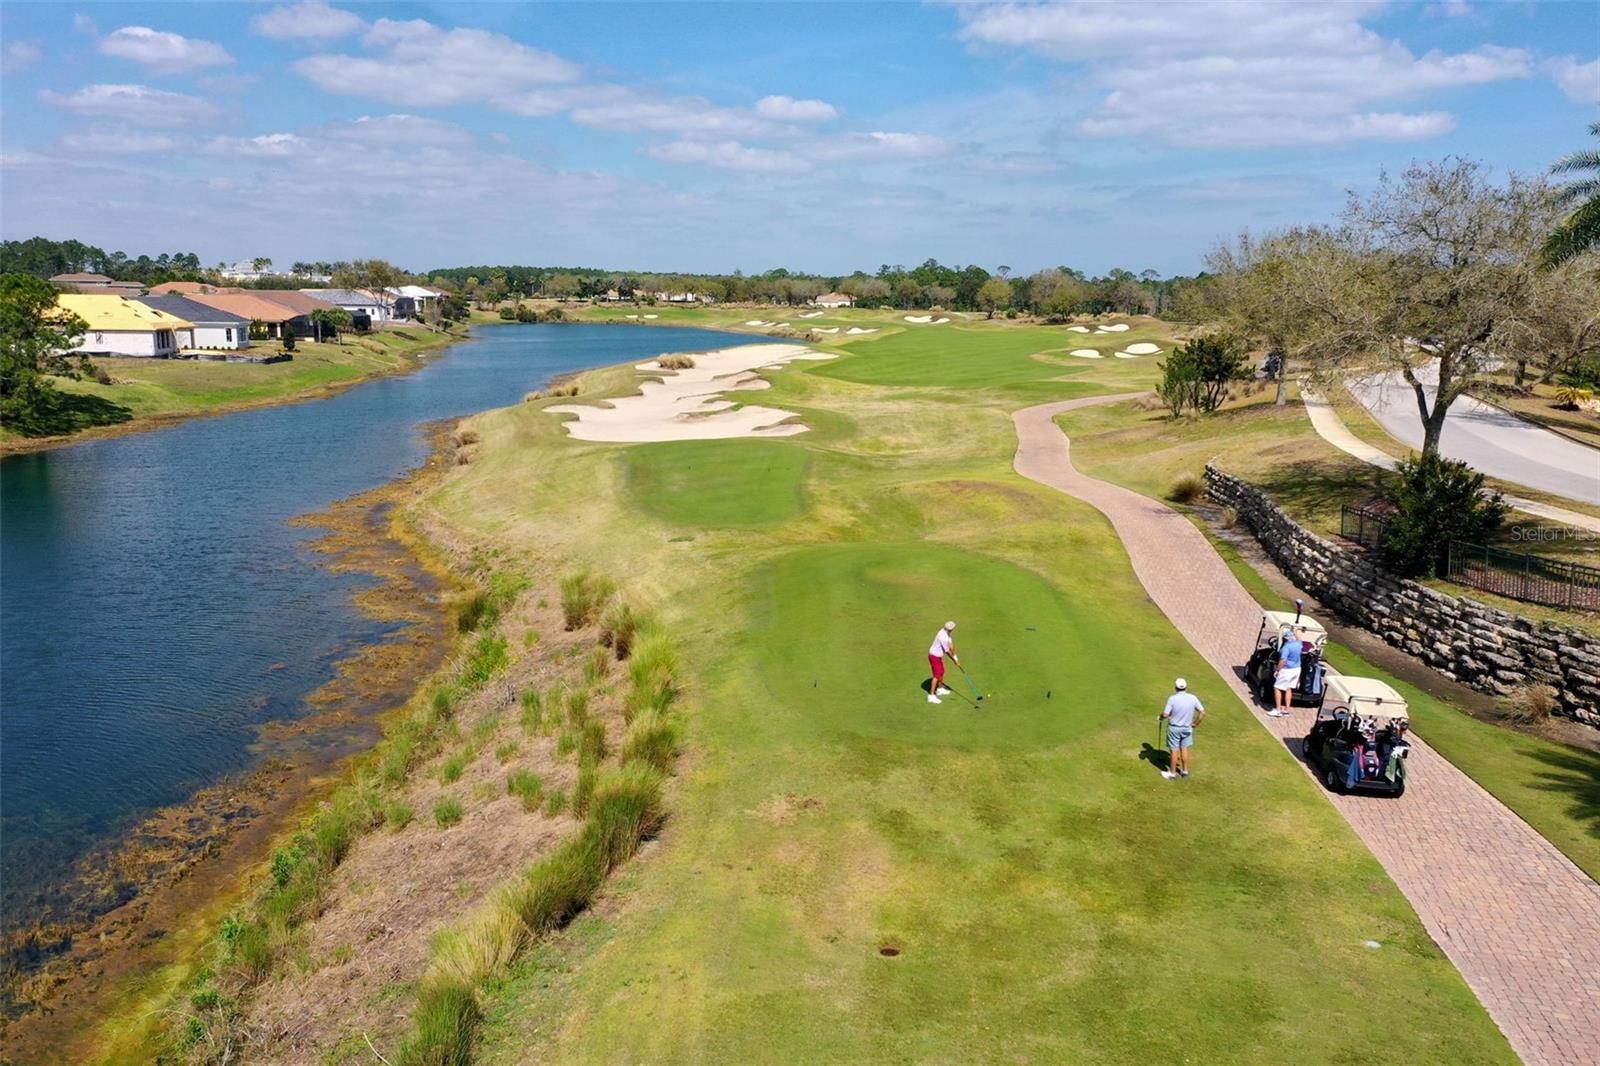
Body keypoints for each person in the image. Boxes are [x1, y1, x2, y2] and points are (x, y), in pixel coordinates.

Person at [1160, 678, 1205, 778]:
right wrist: (1196, 723)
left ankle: (1172, 773)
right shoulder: (1193, 698)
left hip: (1174, 729)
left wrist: (1161, 717)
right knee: (1184, 749)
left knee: (1174, 750)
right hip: (1187, 728)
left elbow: (1166, 714)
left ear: (1175, 687)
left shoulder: (1172, 698)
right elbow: (1202, 712)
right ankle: (1185, 771)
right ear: (1186, 687)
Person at [1270, 625, 1303, 717]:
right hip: (1297, 669)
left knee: (1277, 688)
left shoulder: (1286, 648)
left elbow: (1282, 661)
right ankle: (1286, 710)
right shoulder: (1298, 644)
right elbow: (1299, 637)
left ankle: (1278, 709)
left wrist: (1277, 670)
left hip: (1287, 670)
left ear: (1285, 638)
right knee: (1288, 688)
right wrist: (1296, 630)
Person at [927, 620, 958, 704]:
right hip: (934, 656)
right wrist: (954, 661)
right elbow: (947, 651)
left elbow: (951, 644)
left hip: (937, 656)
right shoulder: (943, 636)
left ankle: (939, 689)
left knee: (941, 671)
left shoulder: (946, 632)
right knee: (936, 676)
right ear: (951, 629)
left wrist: (955, 657)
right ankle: (931, 696)